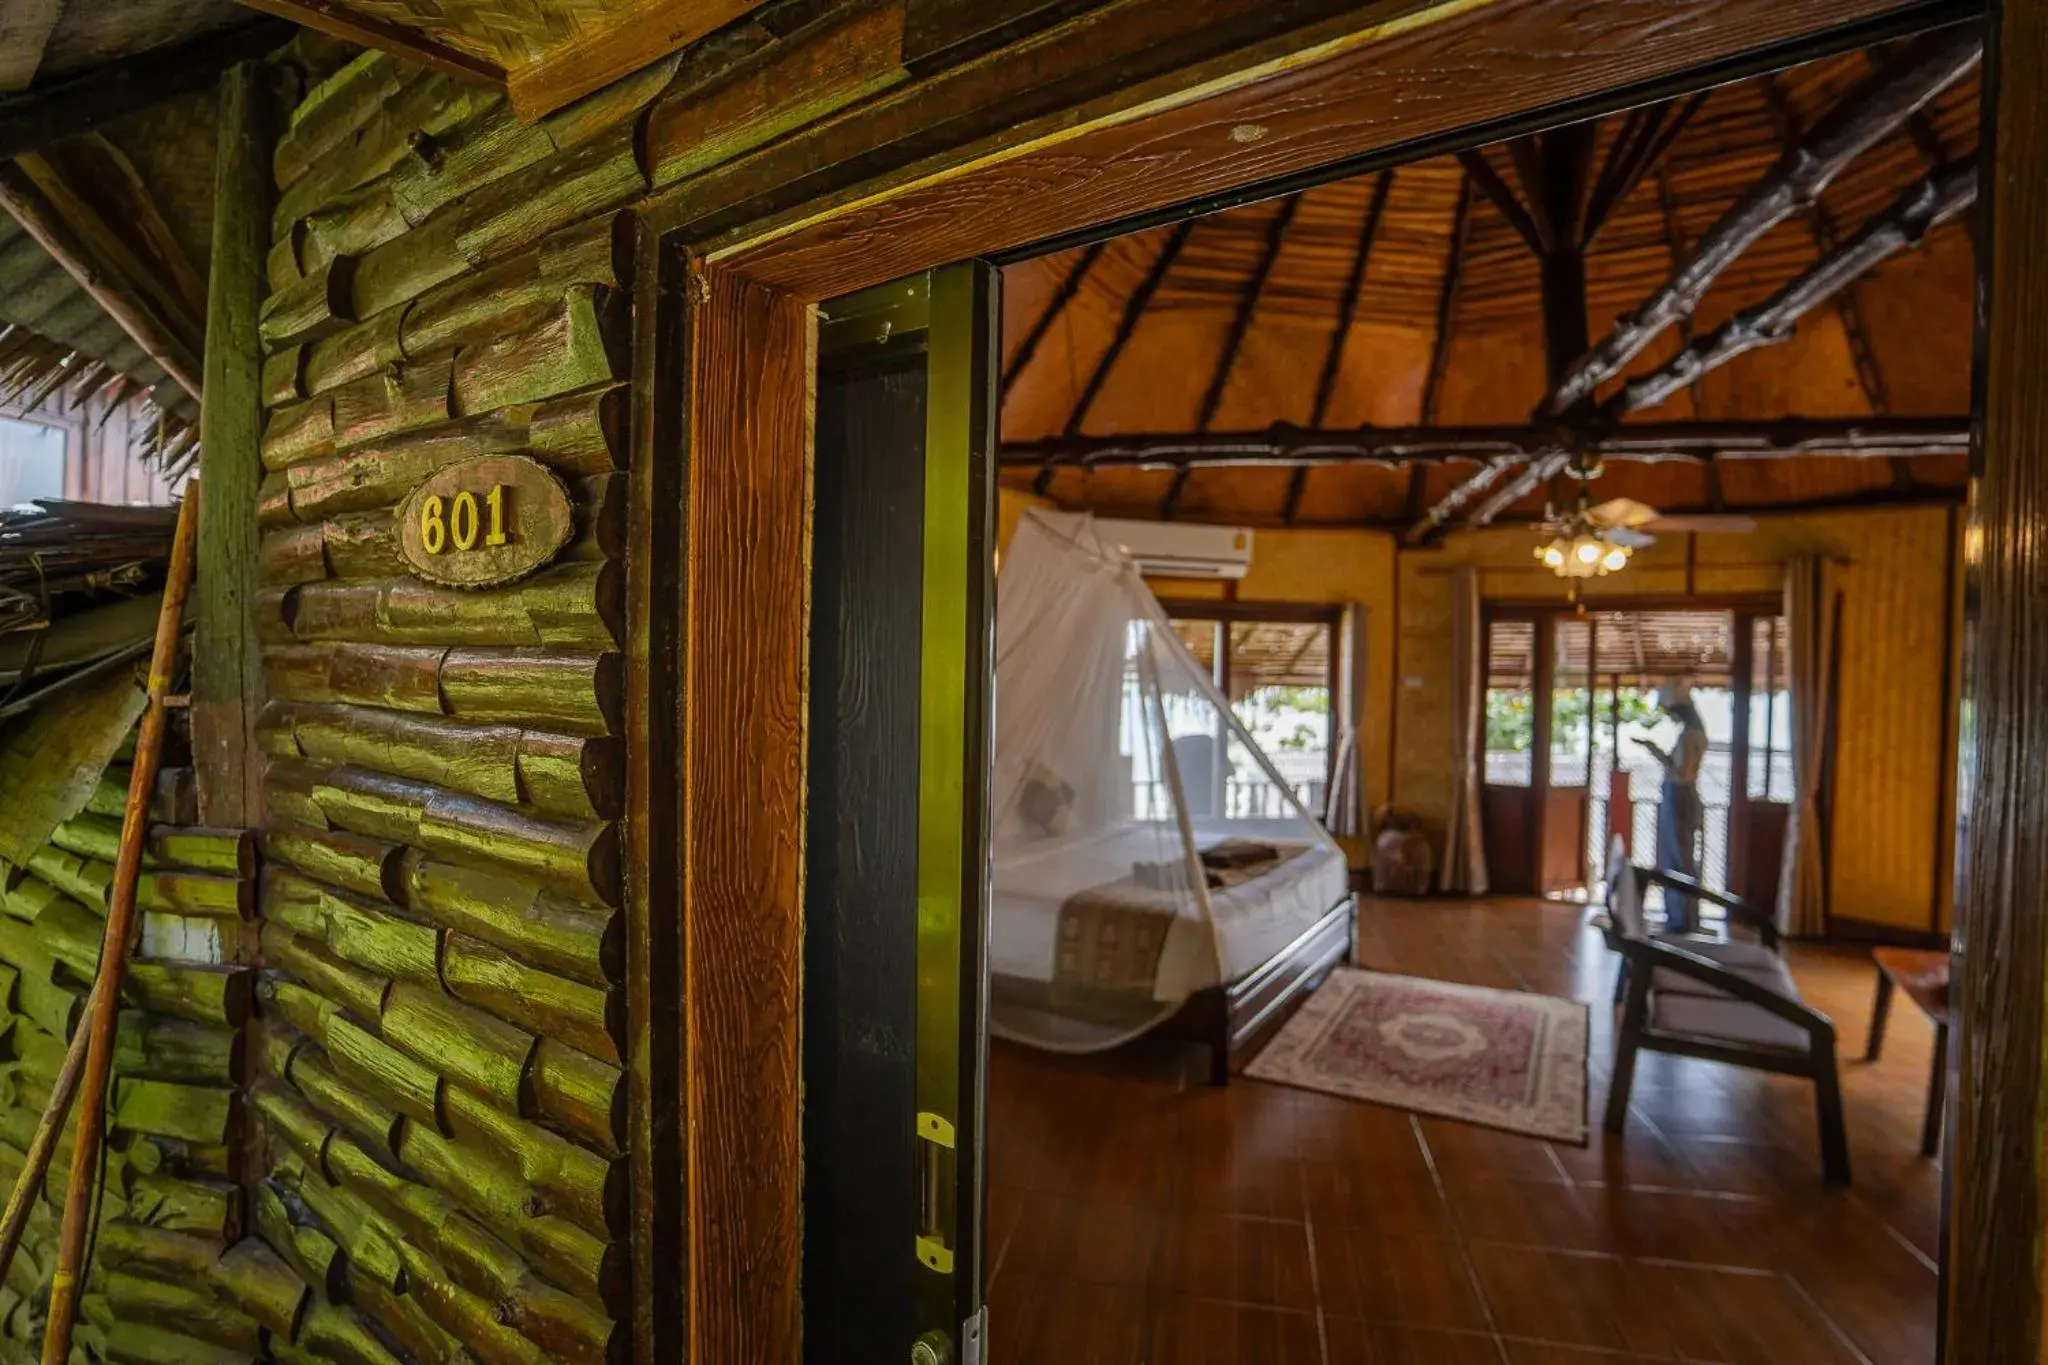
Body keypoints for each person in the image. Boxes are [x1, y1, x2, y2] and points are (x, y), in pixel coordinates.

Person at [1636, 678, 1708, 932]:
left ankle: (1682, 920)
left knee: (1677, 859)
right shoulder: (1693, 732)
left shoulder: (1690, 735)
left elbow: (1680, 772)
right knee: (1680, 857)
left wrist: (1655, 751)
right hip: (1681, 795)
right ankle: (1683, 918)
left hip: (1678, 796)